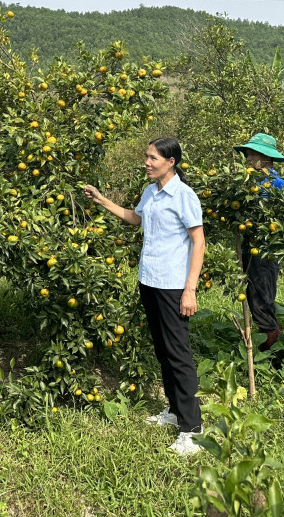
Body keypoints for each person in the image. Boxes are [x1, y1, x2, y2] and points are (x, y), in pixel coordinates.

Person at [84, 137, 206, 455]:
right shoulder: (150, 192)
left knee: (178, 354)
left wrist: (190, 289)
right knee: (164, 351)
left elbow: (199, 242)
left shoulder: (183, 196)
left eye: (153, 158)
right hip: (150, 282)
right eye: (146, 157)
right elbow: (137, 218)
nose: (147, 163)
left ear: (171, 162)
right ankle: (174, 409)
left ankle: (192, 429)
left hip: (173, 285)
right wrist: (102, 201)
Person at [233, 133, 284, 352]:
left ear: (265, 158)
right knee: (253, 294)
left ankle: (271, 343)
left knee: (261, 298)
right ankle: (268, 339)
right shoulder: (247, 182)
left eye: (252, 155)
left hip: (265, 252)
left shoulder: (275, 184)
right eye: (247, 155)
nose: (248, 159)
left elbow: (277, 220)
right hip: (249, 249)